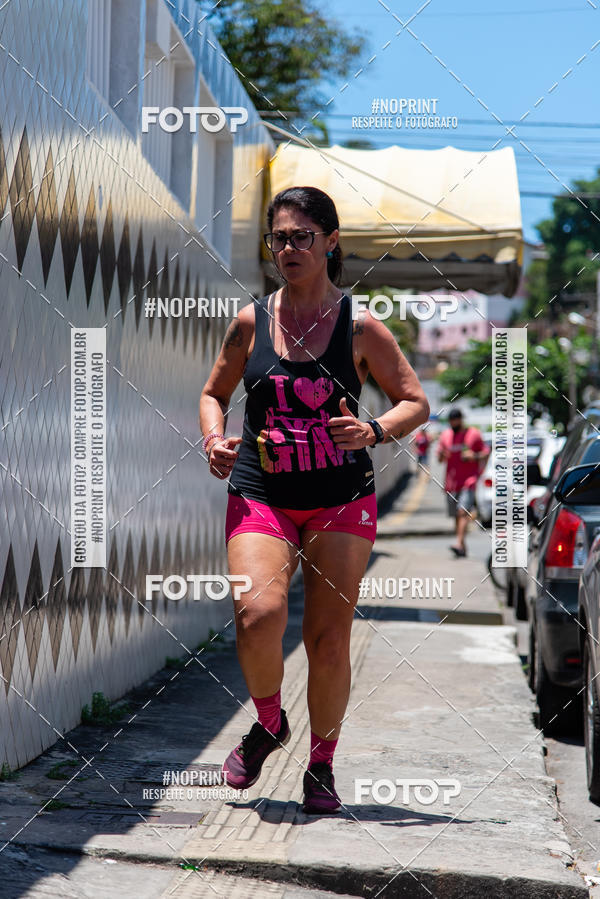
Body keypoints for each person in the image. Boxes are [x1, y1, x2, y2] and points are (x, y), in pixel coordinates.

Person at [199, 186, 429, 814]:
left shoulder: (360, 326)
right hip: (261, 490)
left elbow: (415, 401)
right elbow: (214, 392)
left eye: (303, 237)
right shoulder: (251, 321)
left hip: (339, 498)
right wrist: (215, 439)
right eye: (279, 238)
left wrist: (375, 430)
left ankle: (322, 764)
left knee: (328, 638)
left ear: (331, 242)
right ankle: (270, 722)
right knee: (257, 614)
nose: (289, 249)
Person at [437, 408, 489, 558]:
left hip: (469, 480)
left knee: (462, 511)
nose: (453, 423)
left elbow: (486, 452)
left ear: (461, 420)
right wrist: (441, 454)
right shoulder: (446, 435)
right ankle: (462, 545)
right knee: (456, 516)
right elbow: (440, 460)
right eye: (451, 421)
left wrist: (474, 456)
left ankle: (459, 543)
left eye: (456, 420)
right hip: (452, 482)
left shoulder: (473, 434)